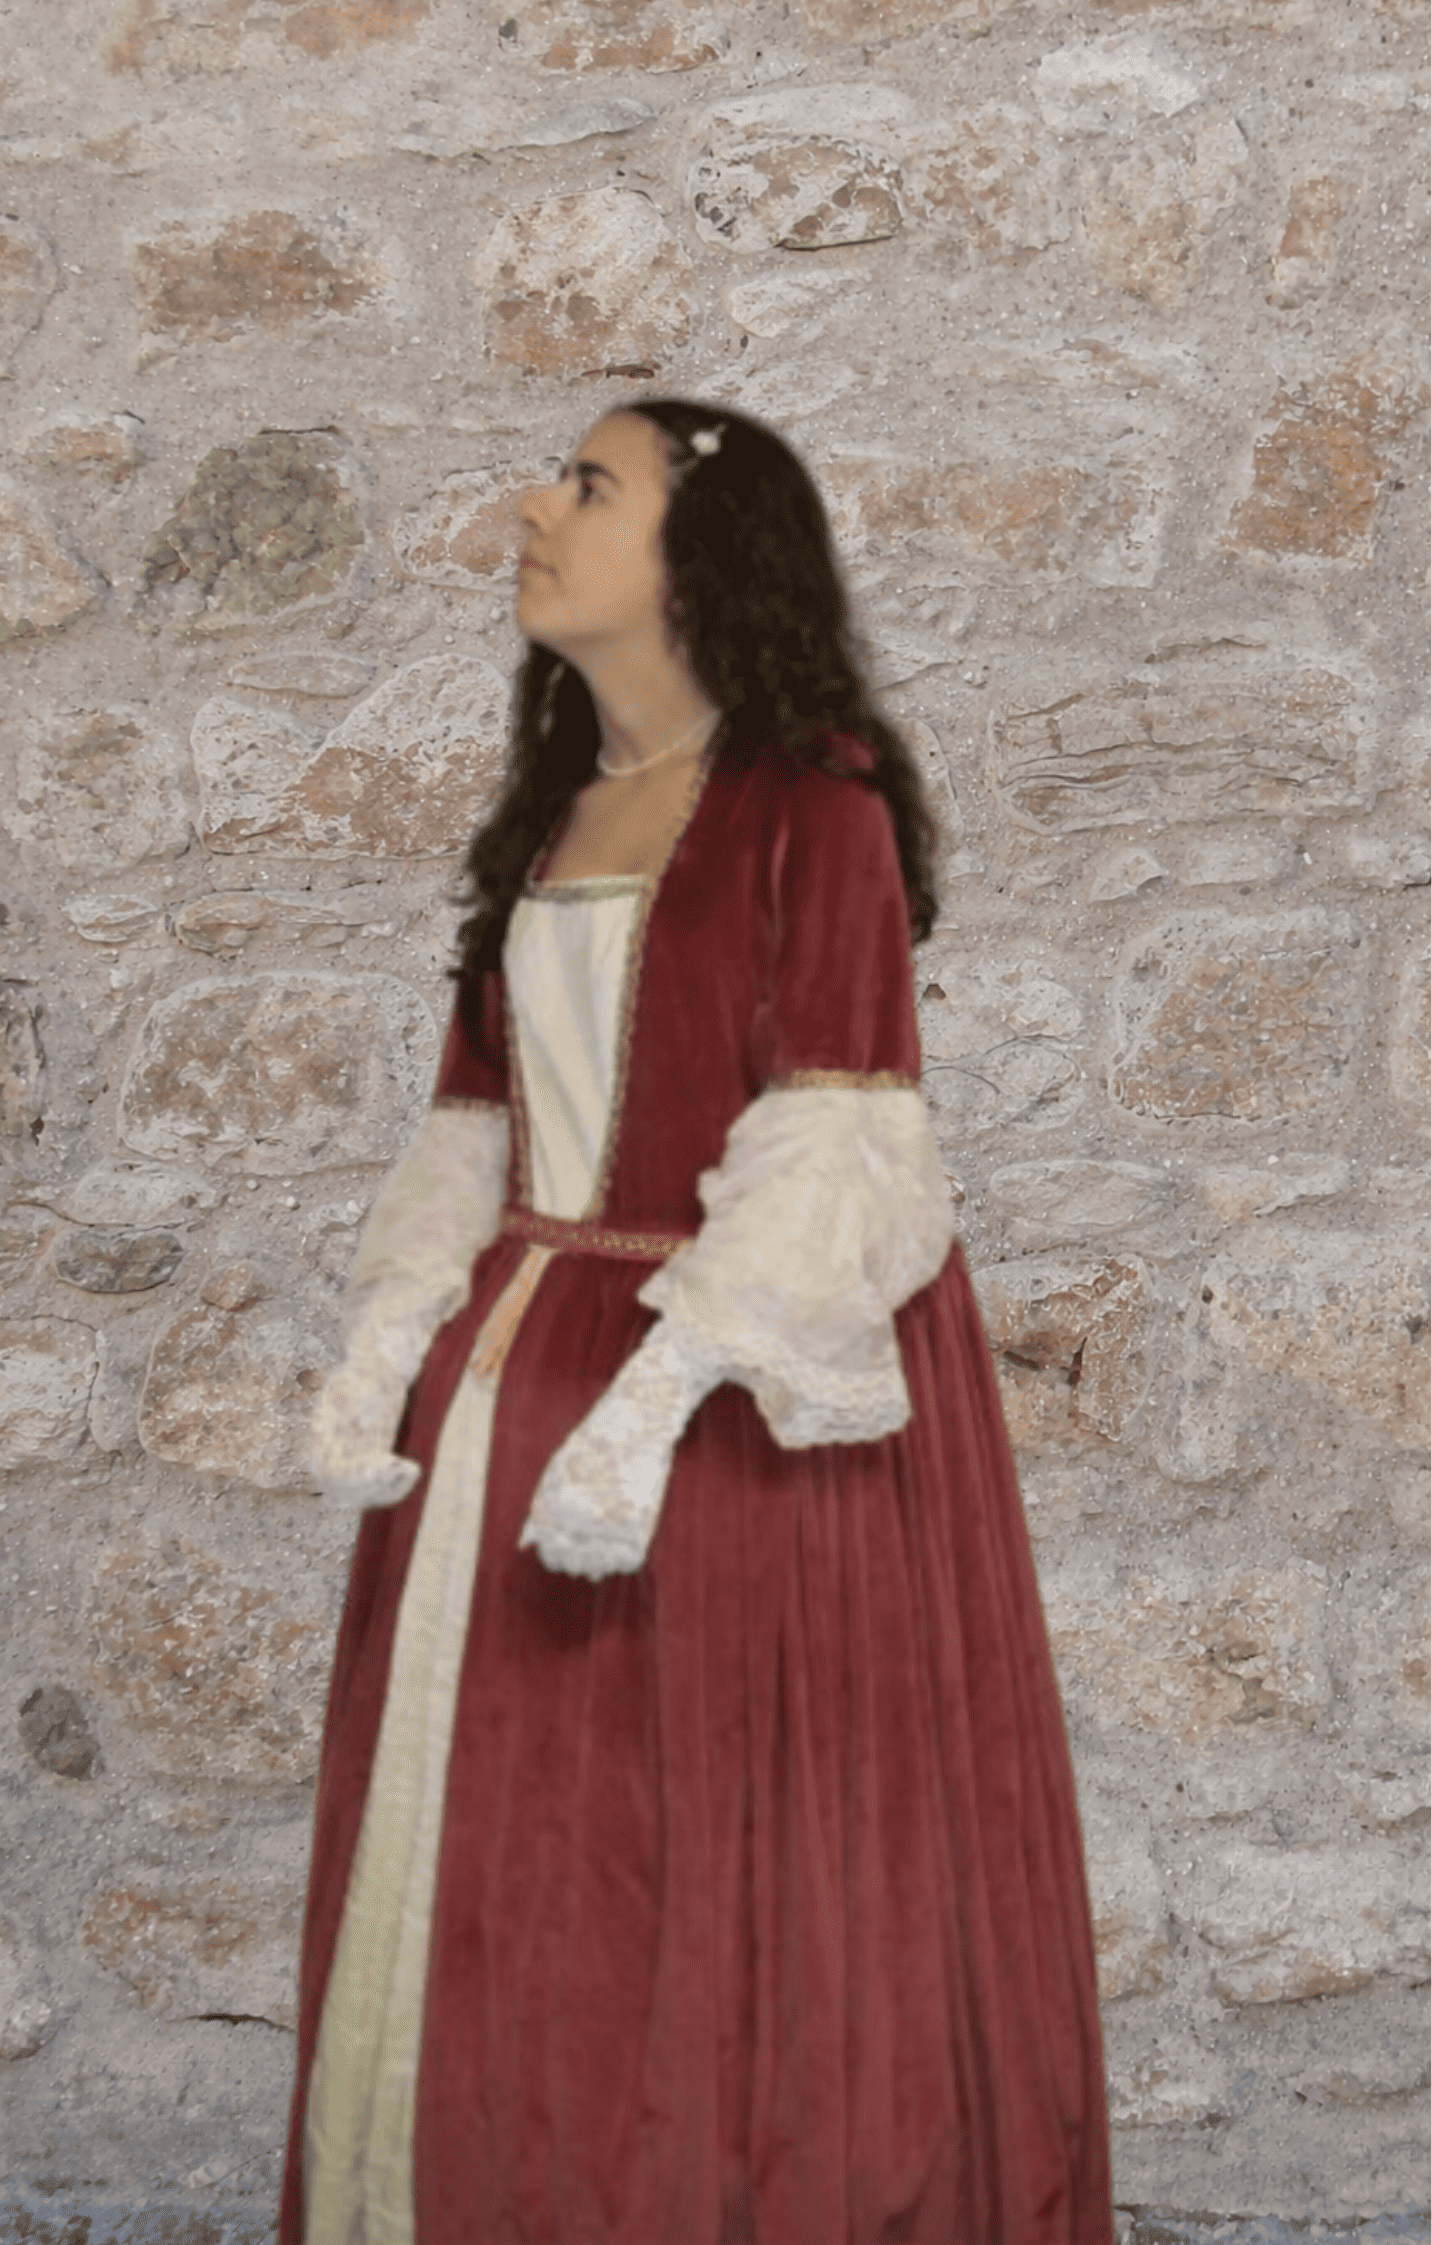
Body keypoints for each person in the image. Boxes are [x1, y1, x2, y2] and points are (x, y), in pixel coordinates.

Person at [280, 398, 1113, 2245]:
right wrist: (382, 1346)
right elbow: (471, 1130)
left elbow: (838, 1143)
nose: (534, 505)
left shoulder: (814, 810)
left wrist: (653, 1404)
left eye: (589, 485)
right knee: (523, 1859)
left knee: (716, 1854)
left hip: (729, 1407)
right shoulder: (552, 820)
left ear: (700, 557)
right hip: (512, 1398)